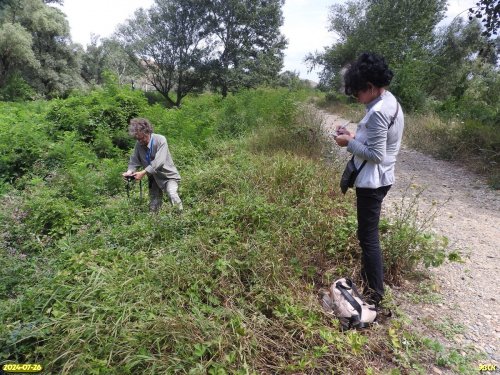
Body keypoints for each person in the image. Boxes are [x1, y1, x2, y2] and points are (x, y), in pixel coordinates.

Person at [334, 52, 404, 307]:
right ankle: (369, 282)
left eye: (357, 93)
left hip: (372, 181)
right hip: (383, 177)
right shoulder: (388, 101)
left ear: (371, 87)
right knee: (367, 233)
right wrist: (354, 136)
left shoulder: (377, 113)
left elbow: (375, 154)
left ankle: (375, 295)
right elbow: (378, 142)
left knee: (368, 237)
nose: (356, 98)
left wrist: (348, 142)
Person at [123, 118, 183, 212]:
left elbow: (159, 161)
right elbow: (134, 161)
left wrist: (143, 172)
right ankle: (155, 224)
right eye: (137, 139)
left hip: (168, 176)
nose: (140, 141)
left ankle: (181, 219)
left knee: (172, 194)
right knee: (154, 204)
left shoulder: (160, 140)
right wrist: (129, 172)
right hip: (154, 178)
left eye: (141, 138)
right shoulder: (139, 144)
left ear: (147, 132)